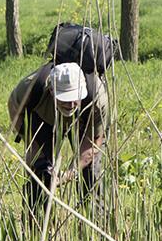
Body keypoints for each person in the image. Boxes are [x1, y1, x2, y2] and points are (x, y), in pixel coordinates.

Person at [8, 62, 109, 210]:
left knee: (91, 174)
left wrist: (70, 173)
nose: (70, 104)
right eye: (65, 98)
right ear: (51, 90)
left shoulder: (97, 99)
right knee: (40, 174)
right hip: (45, 118)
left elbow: (94, 142)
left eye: (75, 97)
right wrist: (36, 152)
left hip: (84, 121)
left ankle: (95, 223)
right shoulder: (29, 88)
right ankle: (35, 225)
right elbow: (15, 112)